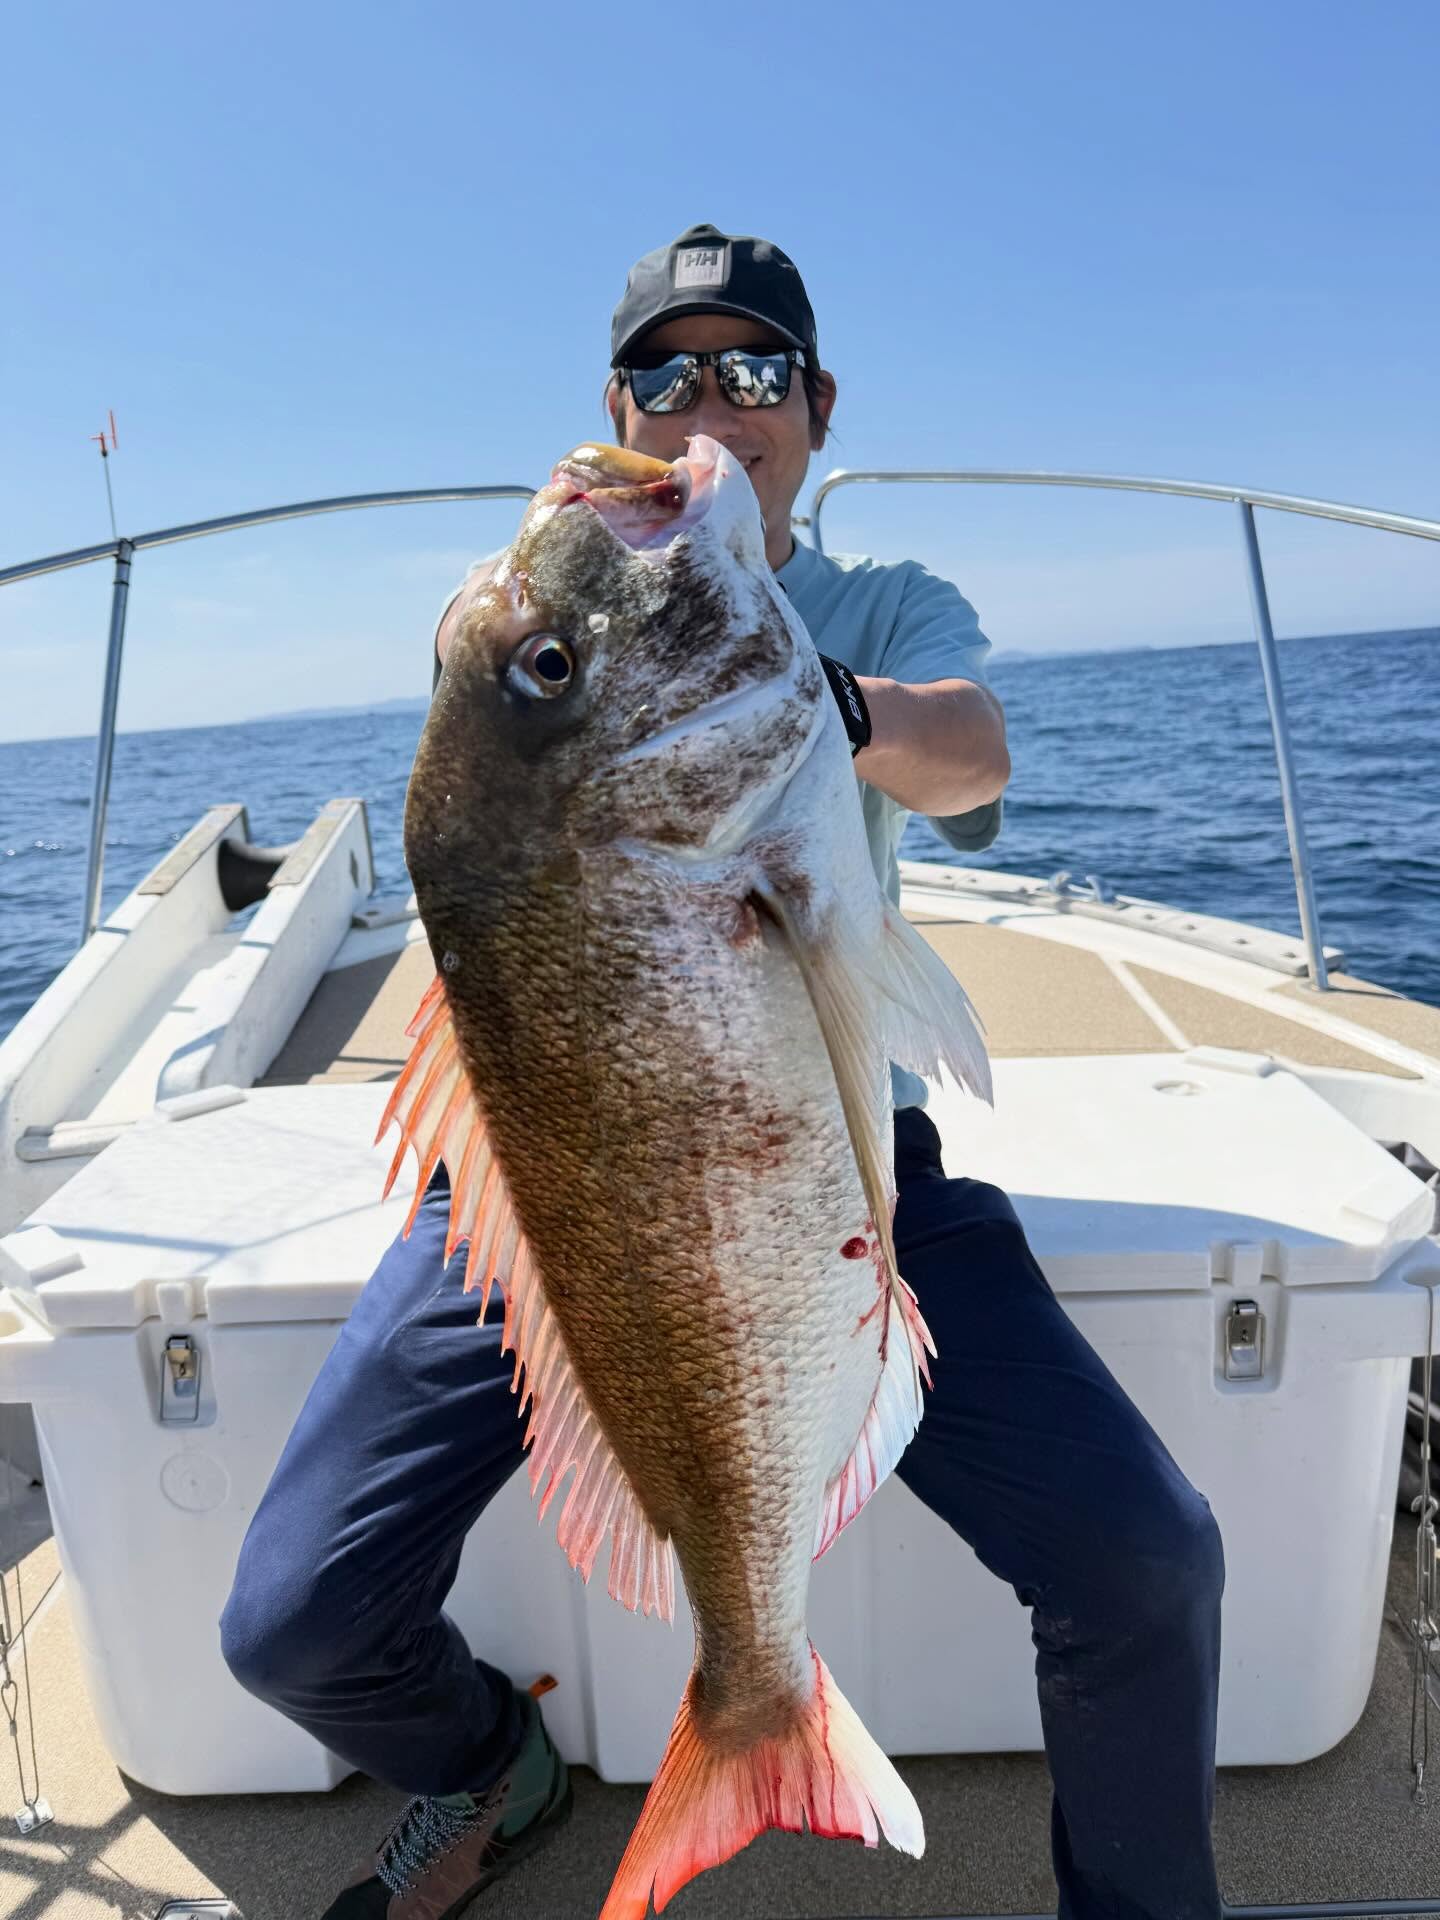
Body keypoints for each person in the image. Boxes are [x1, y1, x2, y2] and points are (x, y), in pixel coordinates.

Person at [220, 224, 1226, 1920]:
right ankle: (491, 1760)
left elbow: (972, 755)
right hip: (550, 1182)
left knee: (1149, 1558)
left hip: (847, 1173)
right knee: (291, 1622)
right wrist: (573, 609)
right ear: (617, 403)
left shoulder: (878, 609)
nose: (709, 406)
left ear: (815, 409)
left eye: (750, 372)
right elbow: (498, 829)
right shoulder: (564, 592)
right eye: (665, 374)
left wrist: (816, 698)